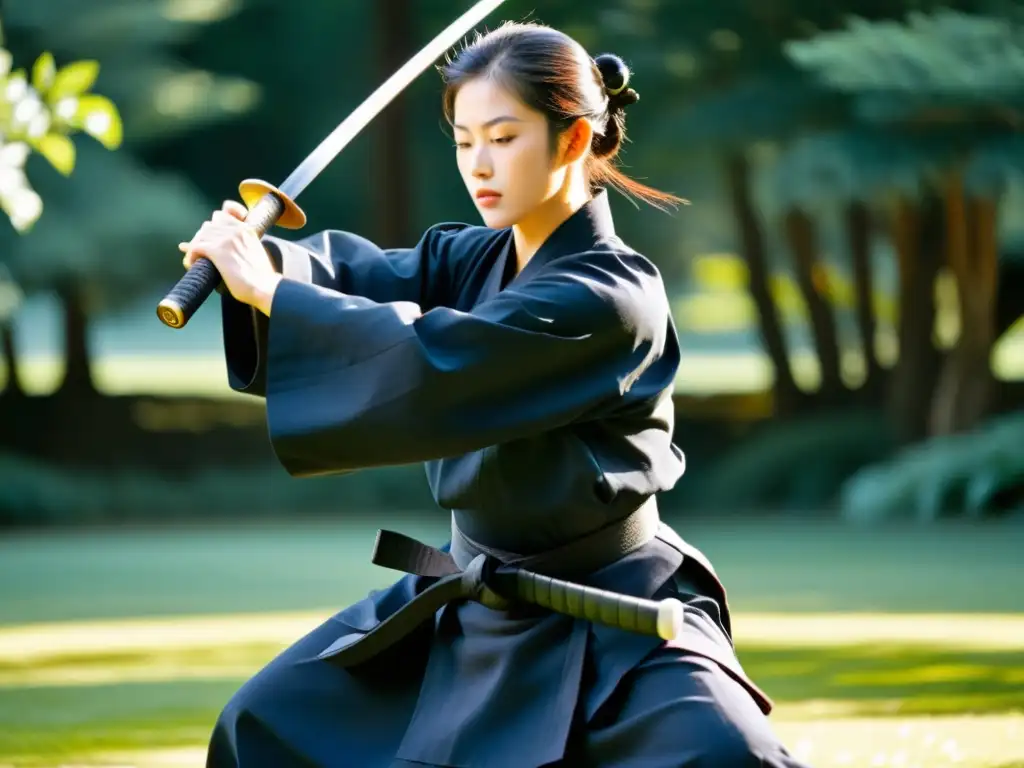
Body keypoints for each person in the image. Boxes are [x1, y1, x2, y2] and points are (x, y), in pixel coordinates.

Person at [181, 20, 812, 768]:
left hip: (611, 616)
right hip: (471, 607)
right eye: (463, 140)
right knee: (264, 725)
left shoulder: (609, 296)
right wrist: (258, 261)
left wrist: (272, 292)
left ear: (573, 141)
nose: (478, 165)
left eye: (504, 138)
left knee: (723, 755)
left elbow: (437, 361)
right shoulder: (471, 255)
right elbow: (357, 275)